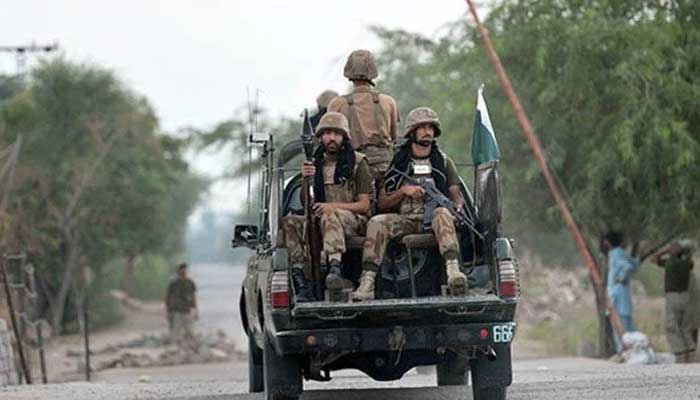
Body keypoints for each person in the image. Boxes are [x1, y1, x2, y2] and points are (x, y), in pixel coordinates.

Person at [352, 107, 467, 301]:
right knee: (377, 222)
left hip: (435, 221)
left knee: (443, 213)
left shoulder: (443, 162)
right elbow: (383, 203)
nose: (427, 131)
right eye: (421, 127)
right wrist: (403, 191)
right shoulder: (398, 163)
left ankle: (453, 272)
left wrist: (457, 207)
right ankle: (367, 282)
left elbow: (456, 194)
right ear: (412, 132)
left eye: (430, 127)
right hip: (406, 220)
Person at [282, 112, 372, 301]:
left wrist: (331, 207)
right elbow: (307, 203)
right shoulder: (314, 163)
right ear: (320, 137)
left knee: (329, 215)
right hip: (322, 218)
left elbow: (364, 205)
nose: (332, 138)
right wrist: (306, 179)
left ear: (344, 137)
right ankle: (300, 280)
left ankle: (335, 269)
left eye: (337, 133)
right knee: (290, 222)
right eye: (327, 133)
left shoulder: (357, 162)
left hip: (354, 220)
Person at [328, 49, 399, 185]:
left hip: (352, 167)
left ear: (348, 71)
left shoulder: (337, 103)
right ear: (373, 71)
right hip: (386, 167)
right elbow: (393, 137)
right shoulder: (388, 101)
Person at [651, 240, 696, 363]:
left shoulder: (670, 262)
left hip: (673, 297)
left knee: (672, 326)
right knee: (685, 327)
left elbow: (653, 259)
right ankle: (690, 354)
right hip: (685, 297)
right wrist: (679, 250)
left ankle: (680, 354)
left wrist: (664, 251)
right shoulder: (687, 263)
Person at [601, 230, 640, 352]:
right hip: (623, 295)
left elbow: (627, 267)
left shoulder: (614, 254)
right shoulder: (622, 253)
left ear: (607, 242)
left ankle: (623, 351)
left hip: (617, 295)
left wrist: (621, 278)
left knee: (619, 326)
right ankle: (633, 350)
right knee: (628, 325)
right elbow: (634, 265)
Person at [165, 263, 198, 347]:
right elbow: (167, 296)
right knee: (175, 331)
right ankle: (174, 348)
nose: (184, 271)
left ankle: (190, 347)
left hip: (187, 310)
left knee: (190, 331)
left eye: (185, 270)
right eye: (182, 269)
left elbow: (194, 297)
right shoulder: (173, 283)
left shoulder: (190, 283)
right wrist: (168, 311)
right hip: (176, 311)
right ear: (179, 271)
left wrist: (196, 311)